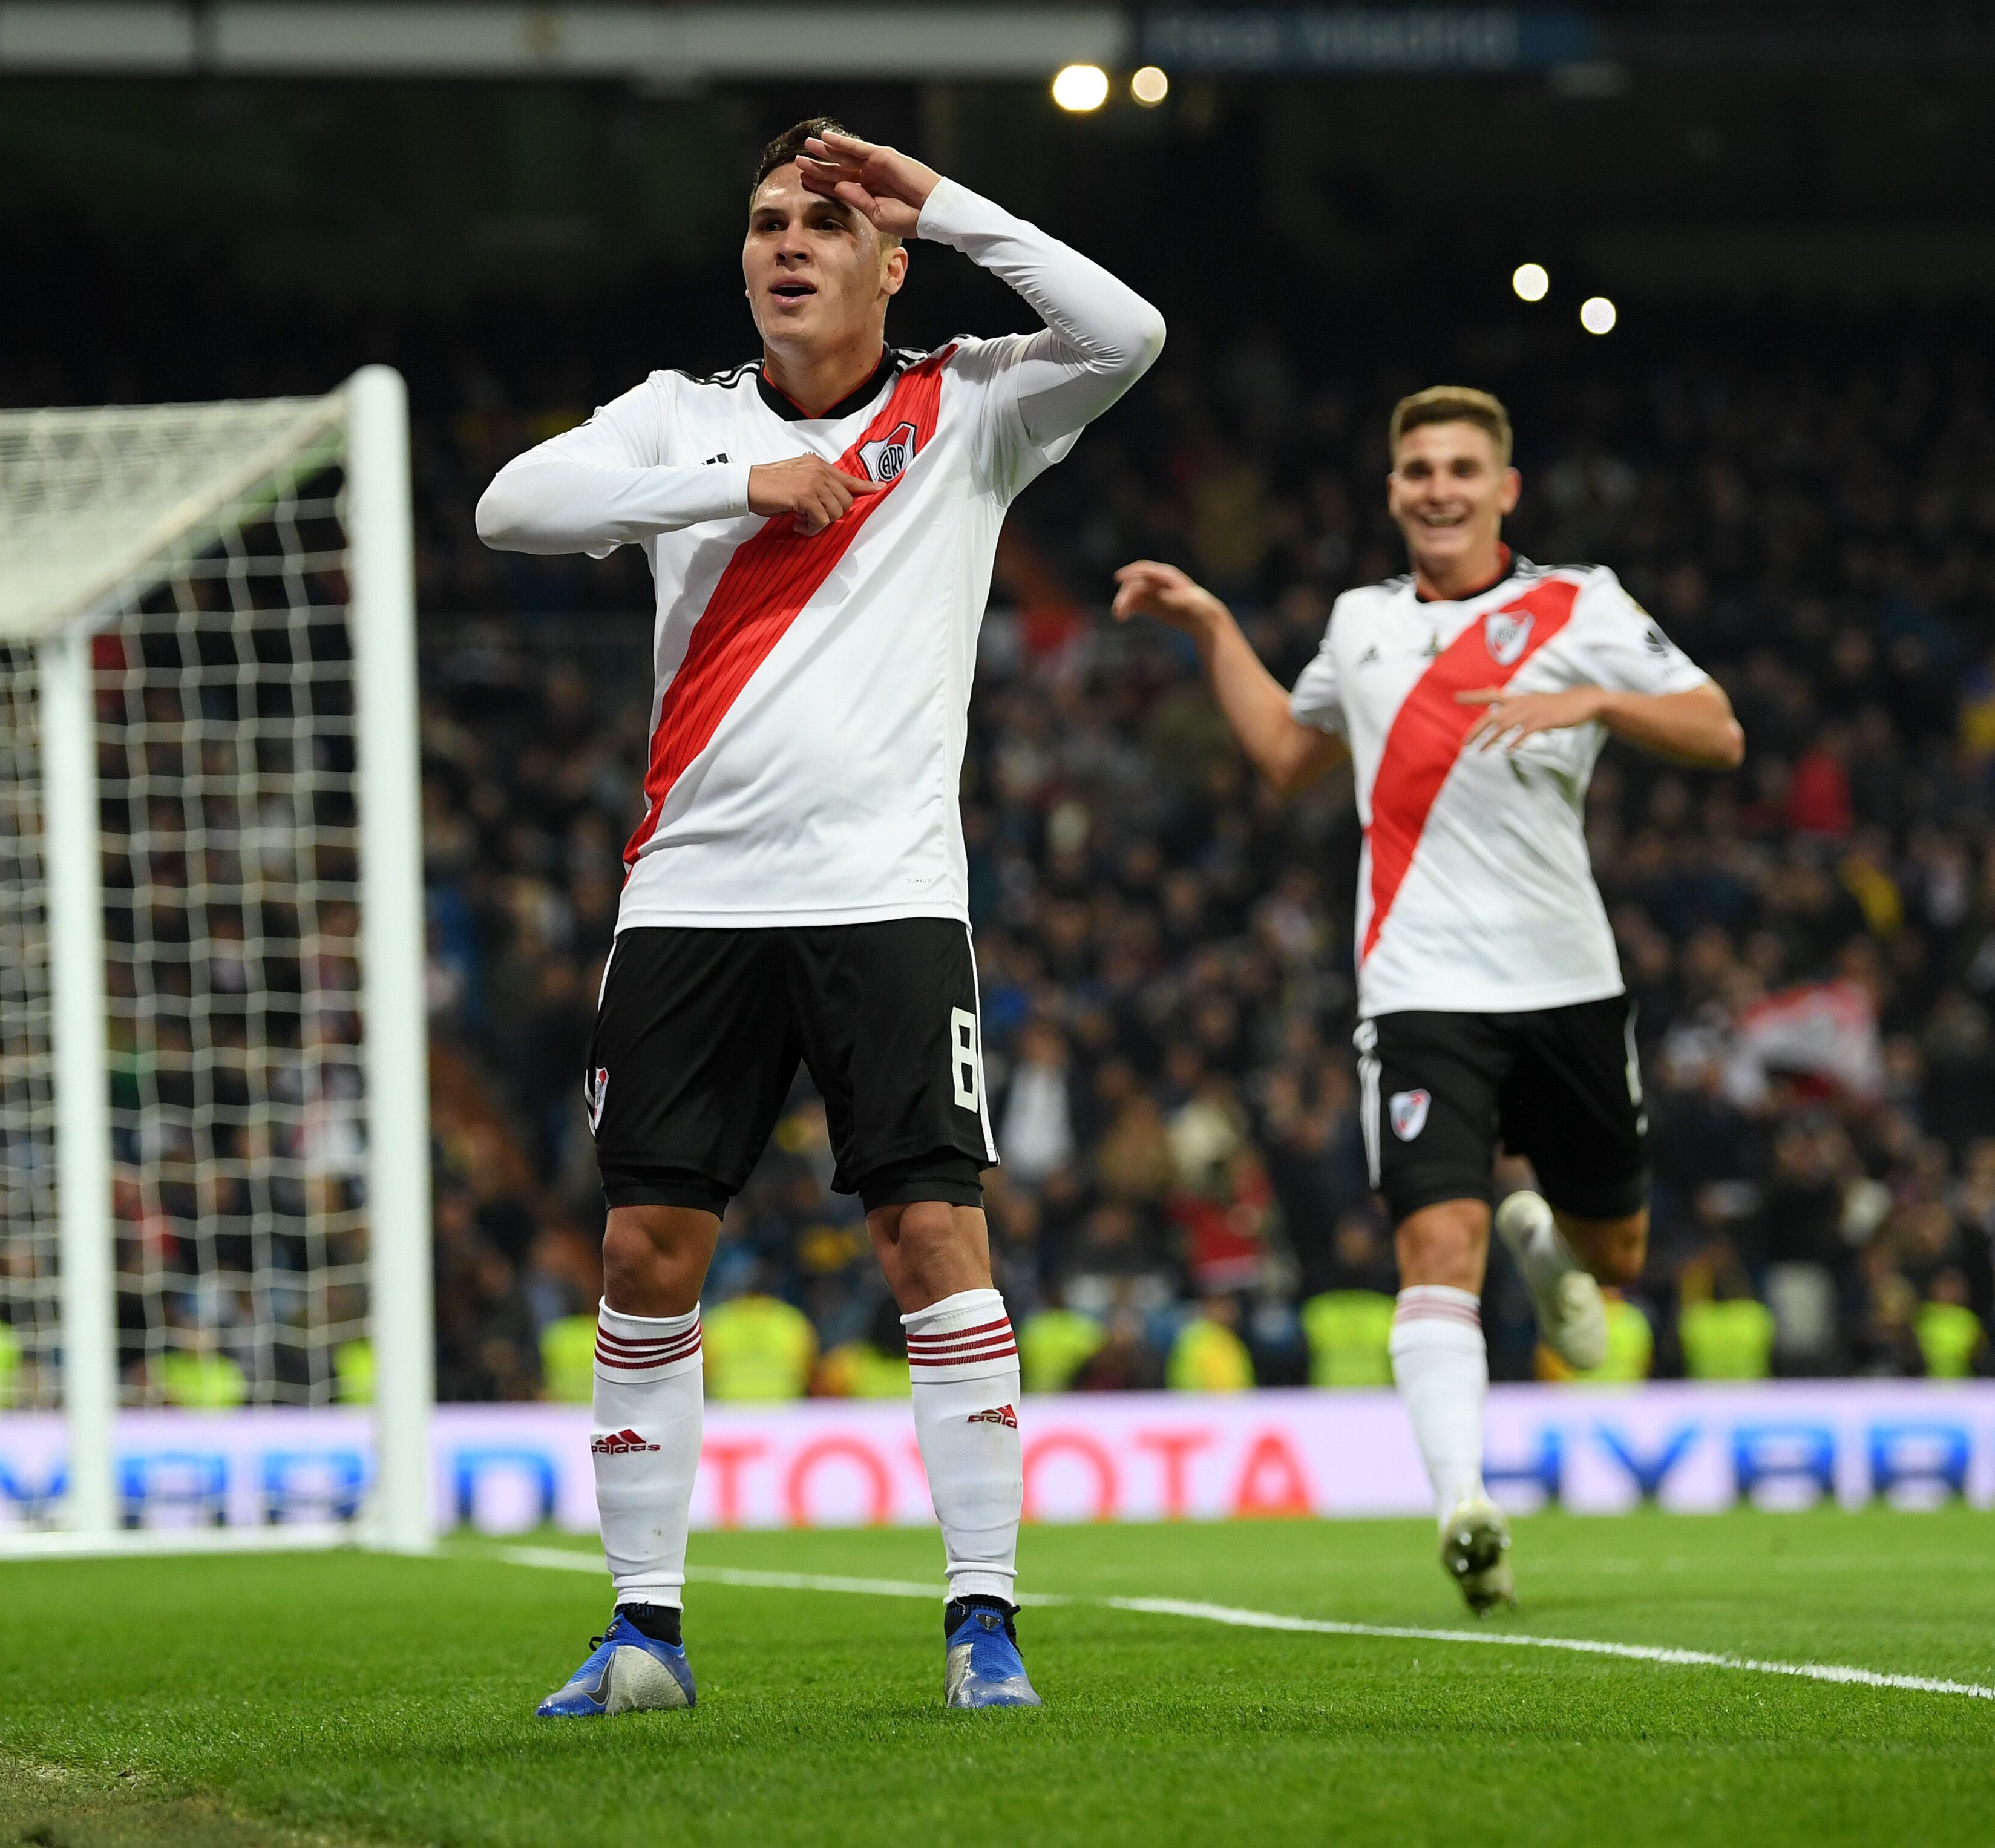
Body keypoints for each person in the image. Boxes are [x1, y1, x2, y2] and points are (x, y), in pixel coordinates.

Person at [478, 118, 1162, 1712]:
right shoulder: (678, 416)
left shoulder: (971, 403)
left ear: (884, 262)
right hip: (689, 899)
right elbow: (511, 504)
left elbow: (1127, 332)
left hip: (887, 897)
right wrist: (736, 480)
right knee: (646, 1244)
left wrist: (939, 195)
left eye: (824, 223)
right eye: (765, 220)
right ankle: (643, 1630)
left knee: (932, 1232)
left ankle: (979, 1620)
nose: (785, 243)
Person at [1110, 385, 1742, 1613]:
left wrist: (1596, 701)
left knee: (1615, 1258)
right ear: (1392, 490)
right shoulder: (1358, 624)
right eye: (1415, 470)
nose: (1436, 488)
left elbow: (1716, 732)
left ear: (1505, 488)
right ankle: (1465, 1506)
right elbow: (1288, 761)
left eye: (1460, 467)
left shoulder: (1578, 604)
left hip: (1567, 985)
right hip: (1417, 991)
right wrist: (1209, 628)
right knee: (1431, 1246)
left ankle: (1552, 1249)